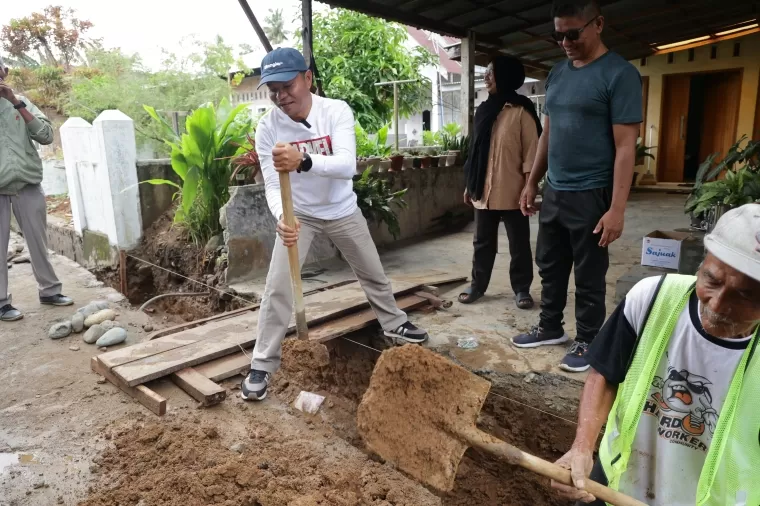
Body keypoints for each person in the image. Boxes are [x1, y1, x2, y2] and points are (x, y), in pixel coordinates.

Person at [241, 48, 429, 402]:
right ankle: (263, 362)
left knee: (372, 272)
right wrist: (284, 217)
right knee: (278, 285)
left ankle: (394, 323)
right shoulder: (268, 126)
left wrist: (304, 160)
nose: (281, 96)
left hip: (342, 209)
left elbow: (347, 165)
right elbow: (270, 182)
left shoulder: (336, 111)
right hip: (300, 214)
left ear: (308, 78)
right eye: (273, 90)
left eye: (288, 85)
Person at [551, 203, 760, 506]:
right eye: (711, 280)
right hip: (616, 487)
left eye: (744, 296)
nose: (716, 305)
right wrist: (583, 447)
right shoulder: (651, 299)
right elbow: (605, 374)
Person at [514, 0, 642, 372]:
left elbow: (624, 147)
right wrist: (532, 182)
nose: (565, 42)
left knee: (588, 273)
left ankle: (588, 339)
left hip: (592, 192)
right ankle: (550, 327)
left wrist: (616, 209)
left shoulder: (619, 75)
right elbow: (548, 134)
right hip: (556, 189)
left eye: (573, 33)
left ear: (598, 24)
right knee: (550, 265)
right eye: (558, 35)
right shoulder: (557, 74)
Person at [459, 56, 542, 310]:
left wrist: (530, 187)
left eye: (491, 72)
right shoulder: (484, 110)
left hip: (514, 191)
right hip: (484, 191)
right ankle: (478, 285)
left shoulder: (521, 112)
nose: (487, 77)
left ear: (505, 76)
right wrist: (469, 185)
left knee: (519, 243)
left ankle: (521, 289)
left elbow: (532, 154)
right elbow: (475, 153)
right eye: (486, 72)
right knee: (482, 242)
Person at [0, 56, 73, 322]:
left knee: (39, 243)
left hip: (27, 183)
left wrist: (16, 103)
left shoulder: (21, 102)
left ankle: (50, 291)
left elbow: (45, 135)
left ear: (5, 72)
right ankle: (1, 302)